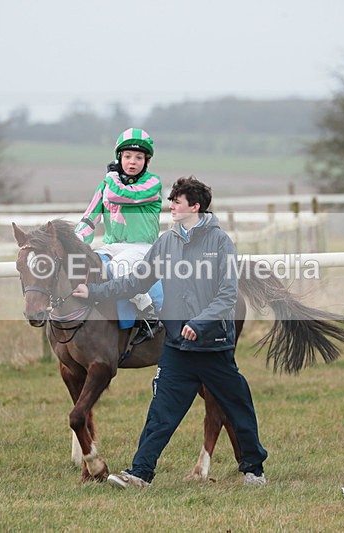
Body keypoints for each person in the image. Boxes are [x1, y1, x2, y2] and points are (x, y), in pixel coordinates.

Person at [72, 176, 268, 488]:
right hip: (177, 347)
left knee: (237, 406)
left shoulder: (220, 243)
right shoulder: (166, 242)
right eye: (171, 200)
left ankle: (254, 470)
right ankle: (140, 474)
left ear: (195, 206)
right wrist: (94, 291)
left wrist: (198, 324)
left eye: (177, 201)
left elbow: (227, 295)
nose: (171, 205)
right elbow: (136, 282)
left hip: (213, 346)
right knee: (161, 413)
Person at [74, 127, 163, 345]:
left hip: (143, 248)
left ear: (147, 162)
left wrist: (112, 176)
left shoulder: (152, 184)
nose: (132, 162)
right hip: (112, 245)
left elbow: (118, 195)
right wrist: (74, 244)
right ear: (119, 158)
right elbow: (89, 219)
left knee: (119, 267)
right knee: (88, 266)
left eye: (139, 157)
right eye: (127, 156)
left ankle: (148, 312)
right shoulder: (106, 185)